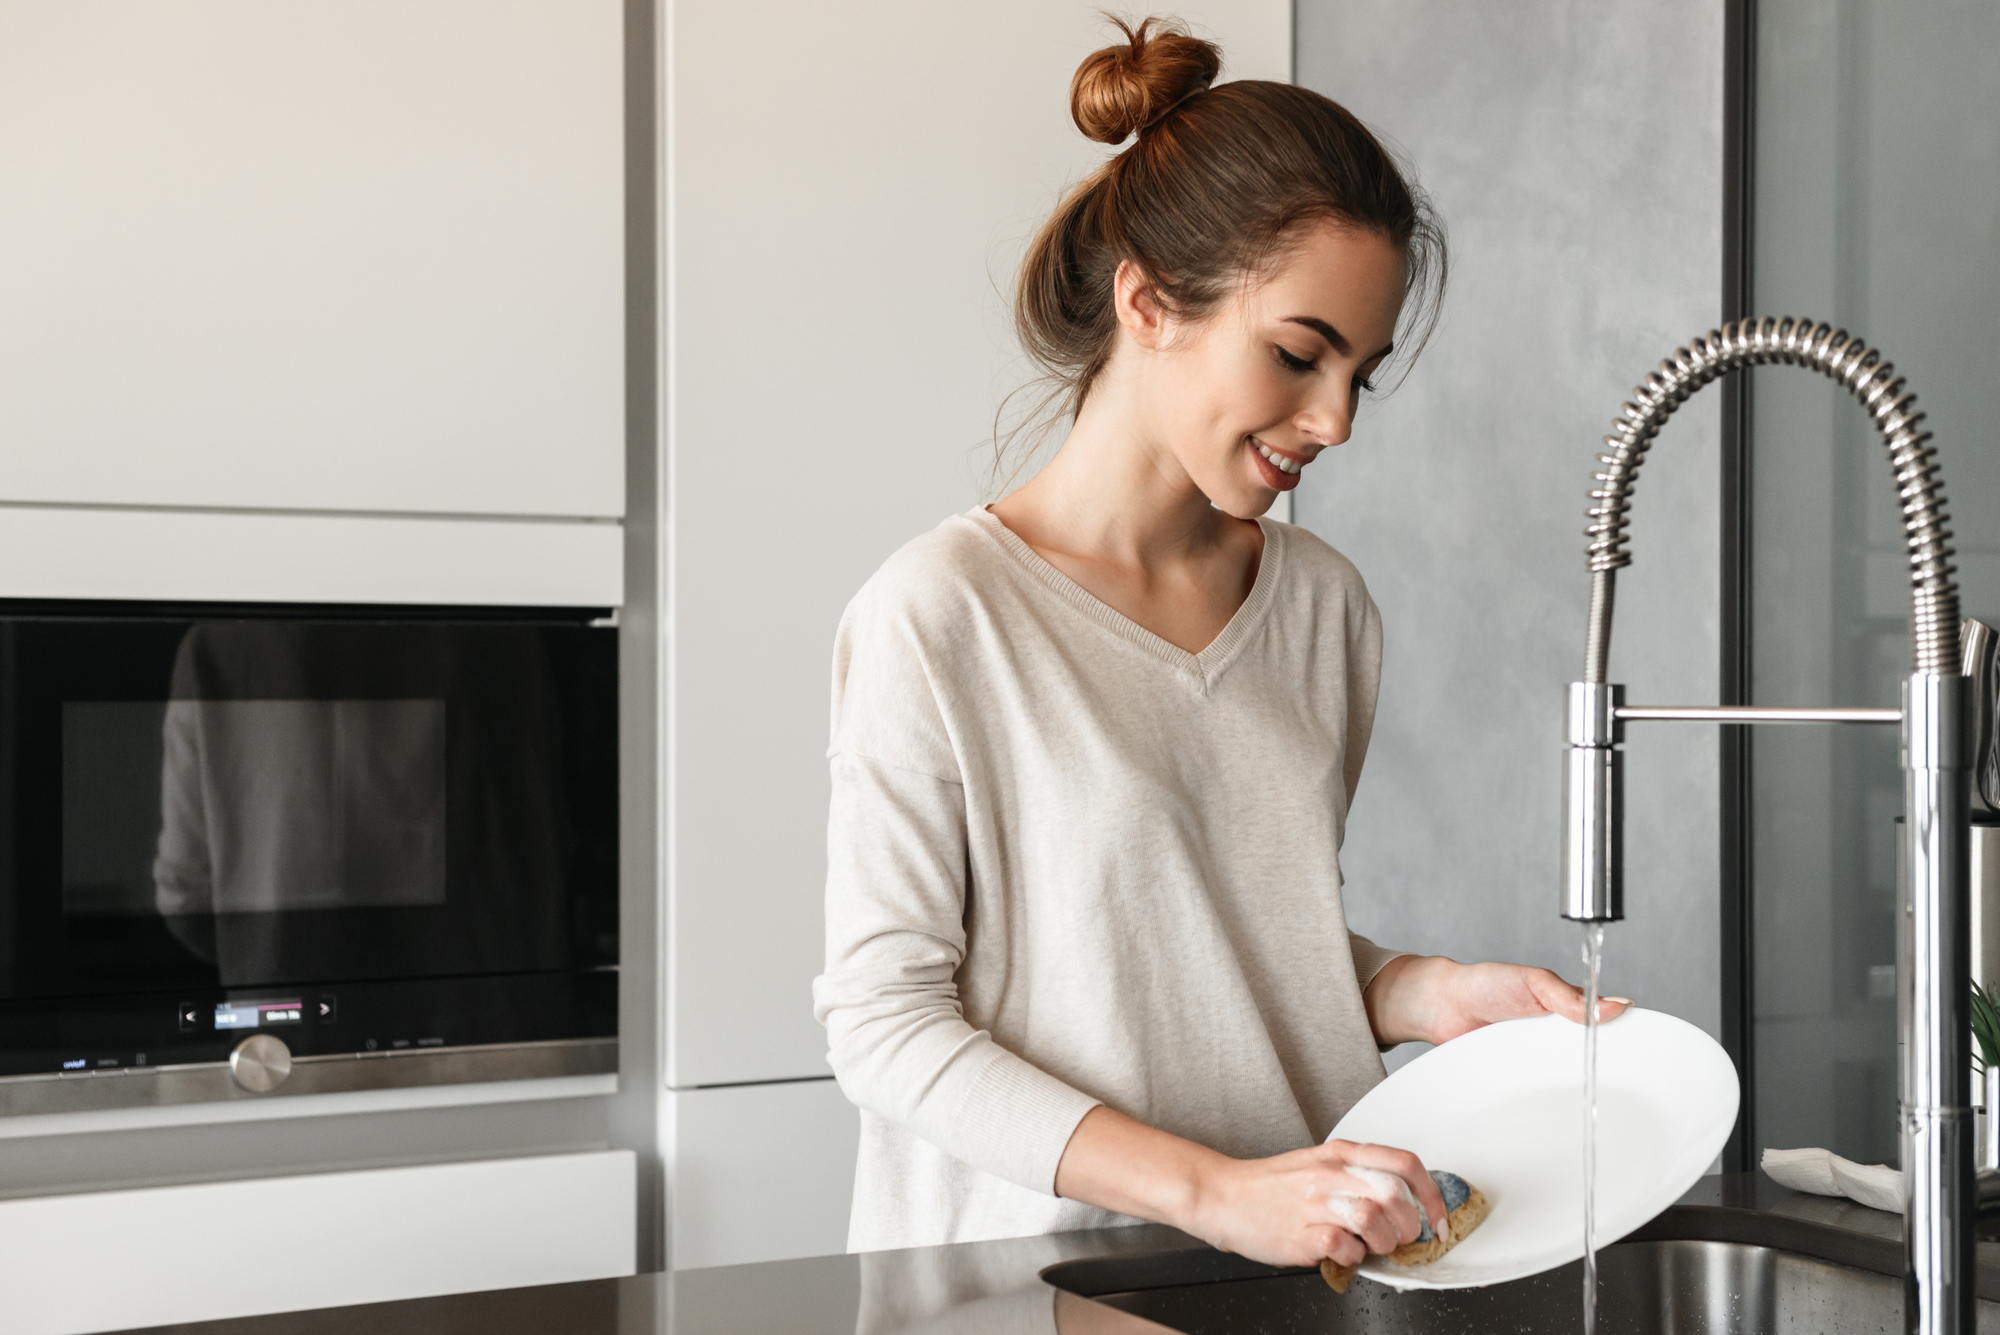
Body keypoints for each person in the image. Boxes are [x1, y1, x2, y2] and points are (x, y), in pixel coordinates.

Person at [813, 17, 1629, 1273]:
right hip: (1033, 1286)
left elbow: (1199, 941)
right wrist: (1215, 1193)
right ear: (1147, 302)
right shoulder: (941, 614)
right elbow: (884, 1027)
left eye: (1359, 373)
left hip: (1288, 1274)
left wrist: (1413, 990)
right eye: (1298, 355)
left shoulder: (1321, 608)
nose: (1334, 420)